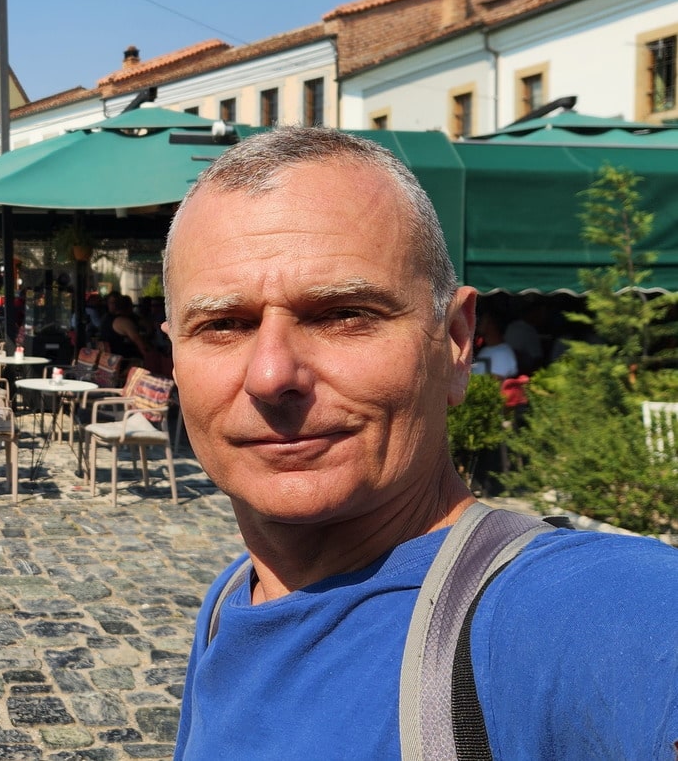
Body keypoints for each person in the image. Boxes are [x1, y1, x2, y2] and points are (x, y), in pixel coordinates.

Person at [162, 127, 678, 759]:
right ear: (175, 356)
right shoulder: (230, 600)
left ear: (457, 343)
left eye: (343, 315)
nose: (271, 376)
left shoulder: (564, 615)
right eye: (222, 325)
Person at [473, 311, 518, 380]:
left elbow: (495, 386)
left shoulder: (503, 353)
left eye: (480, 319)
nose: (476, 322)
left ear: (491, 322)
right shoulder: (485, 349)